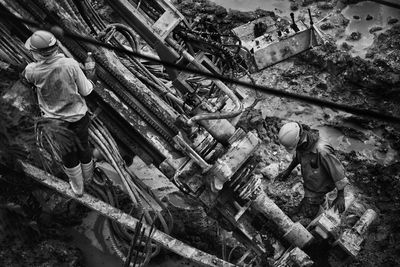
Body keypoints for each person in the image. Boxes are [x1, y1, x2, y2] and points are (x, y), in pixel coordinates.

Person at [23, 30, 95, 196]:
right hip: (78, 118)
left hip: (55, 124)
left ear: (37, 53)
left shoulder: (31, 71)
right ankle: (89, 178)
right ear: (55, 48)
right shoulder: (70, 64)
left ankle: (78, 188)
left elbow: (26, 80)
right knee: (84, 146)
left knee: (68, 154)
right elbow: (86, 90)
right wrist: (91, 79)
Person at [276, 122, 349, 219]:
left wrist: (340, 196)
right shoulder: (302, 144)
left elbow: (338, 172)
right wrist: (288, 170)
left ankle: (316, 212)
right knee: (308, 204)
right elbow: (298, 156)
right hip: (312, 182)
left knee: (302, 215)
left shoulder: (322, 151)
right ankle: (321, 206)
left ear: (299, 140)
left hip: (319, 187)